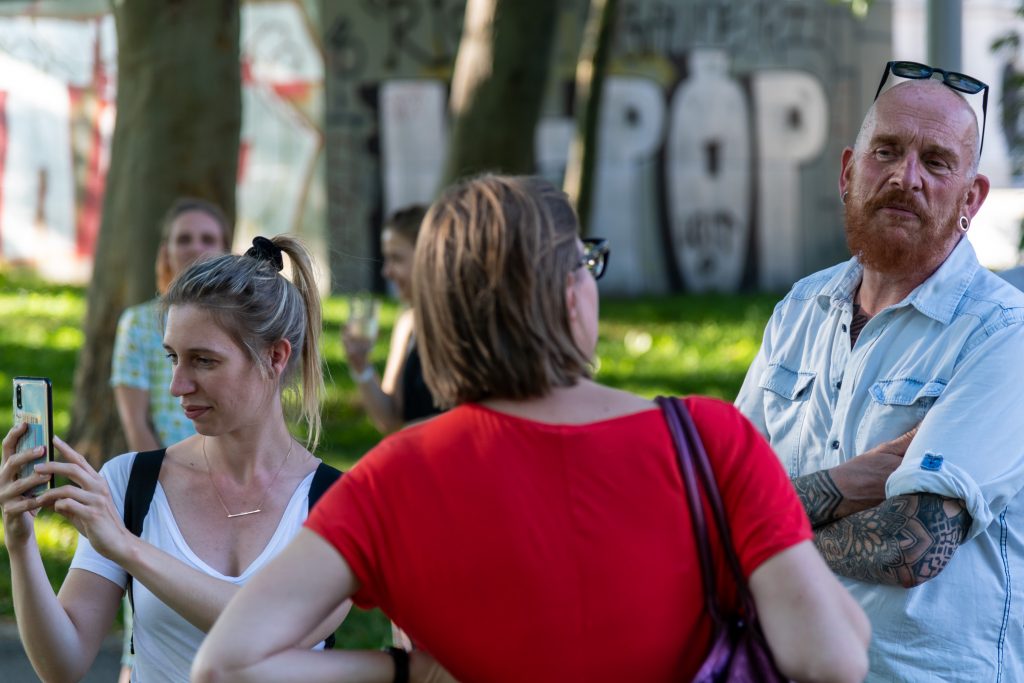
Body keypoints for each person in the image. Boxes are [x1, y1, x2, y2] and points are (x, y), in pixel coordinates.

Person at [193, 175, 869, 683]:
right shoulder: (708, 440)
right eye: (586, 261)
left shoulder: (393, 476)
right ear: (569, 291)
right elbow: (831, 656)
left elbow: (225, 665)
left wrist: (407, 672)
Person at [736, 65, 1024, 681]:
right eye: (886, 151)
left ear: (971, 198)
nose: (905, 177)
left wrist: (760, 542)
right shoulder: (799, 311)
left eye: (937, 162)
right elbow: (724, 495)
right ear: (848, 172)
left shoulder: (1004, 334)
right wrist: (858, 479)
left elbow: (912, 543)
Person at [1, 235, 346, 683]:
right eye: (172, 358)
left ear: (275, 356)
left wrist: (127, 548)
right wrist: (20, 541)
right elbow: (61, 665)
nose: (177, 385)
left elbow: (276, 632)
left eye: (203, 361)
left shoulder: (338, 502)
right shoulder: (131, 482)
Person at [112, 198, 231, 452]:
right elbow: (136, 424)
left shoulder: (240, 323)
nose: (196, 247)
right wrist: (161, 480)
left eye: (208, 239)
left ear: (226, 251)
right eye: (184, 239)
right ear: (166, 251)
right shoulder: (138, 323)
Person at [342, 205, 442, 434]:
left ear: (428, 255)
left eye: (396, 258)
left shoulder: (464, 325)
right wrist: (361, 365)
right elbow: (391, 420)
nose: (386, 271)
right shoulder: (408, 323)